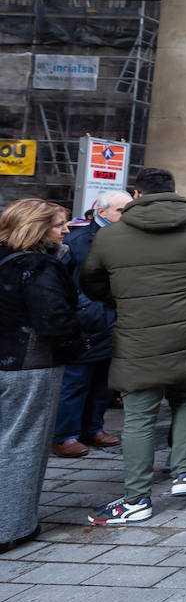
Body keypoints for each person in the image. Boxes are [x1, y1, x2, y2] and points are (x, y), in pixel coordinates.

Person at [82, 167, 186, 525]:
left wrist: (125, 296)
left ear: (136, 195)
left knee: (138, 414)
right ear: (174, 191)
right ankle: (184, 475)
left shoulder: (111, 236)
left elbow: (91, 282)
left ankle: (137, 498)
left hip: (141, 333)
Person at [0, 199, 85, 553]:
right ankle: (11, 526)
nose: (66, 230)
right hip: (28, 363)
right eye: (59, 224)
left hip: (9, 361)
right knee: (23, 443)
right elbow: (54, 320)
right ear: (36, 227)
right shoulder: (38, 265)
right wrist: (81, 337)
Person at [52, 189, 129, 457]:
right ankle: (65, 434)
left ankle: (93, 428)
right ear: (102, 211)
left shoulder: (129, 238)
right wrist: (83, 309)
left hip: (115, 318)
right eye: (121, 210)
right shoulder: (79, 240)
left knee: (103, 380)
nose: (126, 215)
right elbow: (64, 280)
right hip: (88, 319)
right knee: (76, 380)